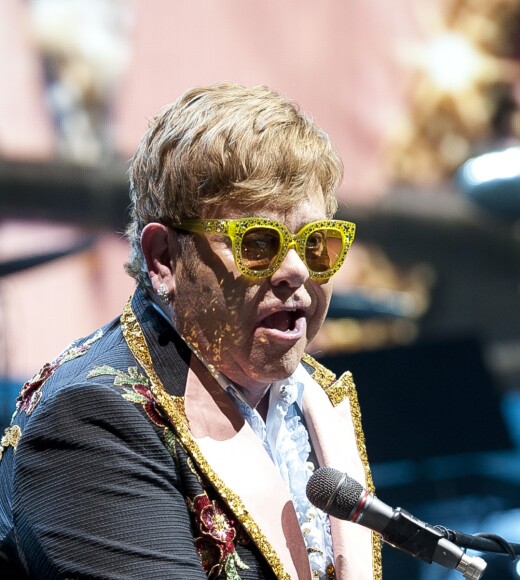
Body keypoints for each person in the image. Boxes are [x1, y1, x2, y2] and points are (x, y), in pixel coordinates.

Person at [0, 82, 382, 579]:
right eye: (259, 243)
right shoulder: (90, 419)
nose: (297, 271)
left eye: (316, 244)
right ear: (164, 259)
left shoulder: (312, 400)